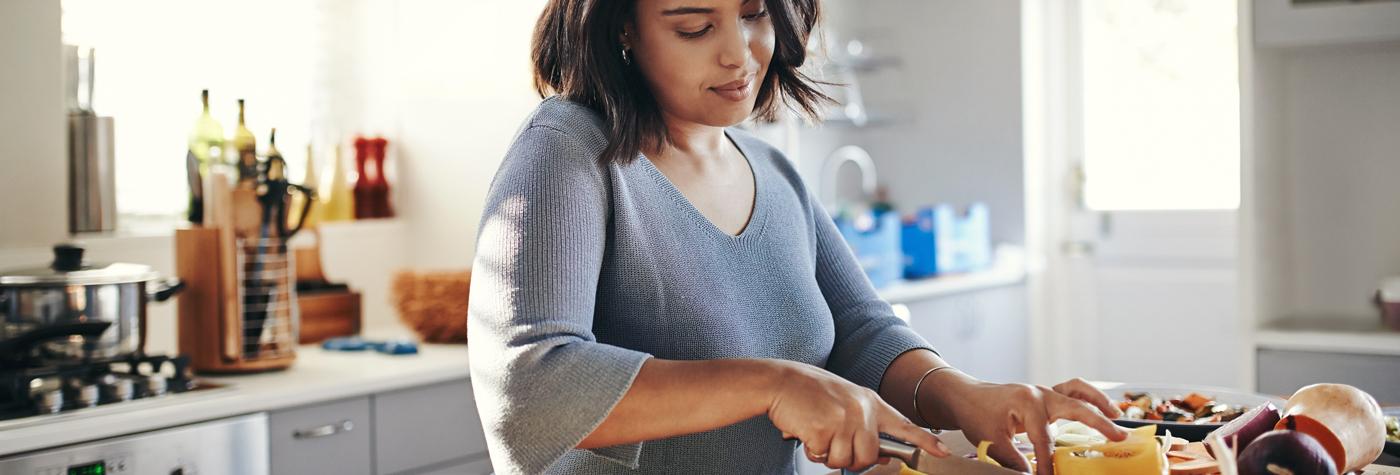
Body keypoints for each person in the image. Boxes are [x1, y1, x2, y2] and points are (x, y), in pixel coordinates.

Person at [468, 1, 1127, 473]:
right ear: (621, 27)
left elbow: (863, 333)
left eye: (754, 14)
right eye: (695, 26)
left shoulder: (773, 170)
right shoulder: (565, 150)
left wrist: (967, 394)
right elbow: (530, 386)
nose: (739, 51)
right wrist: (774, 383)